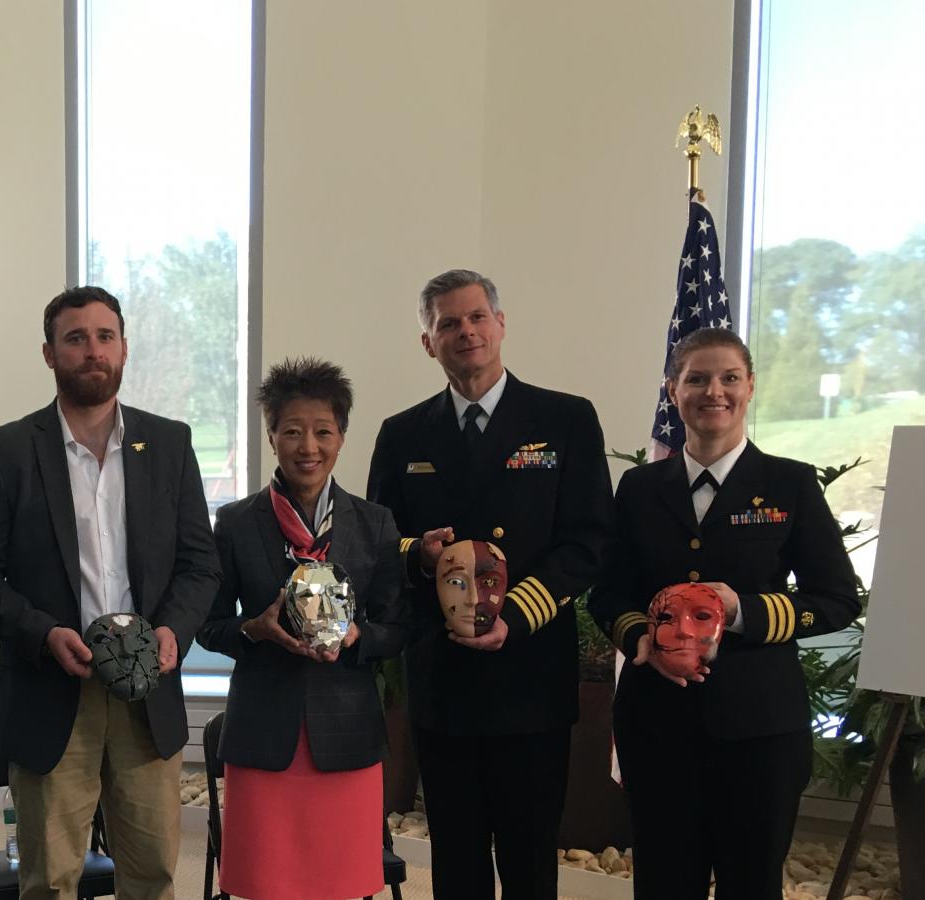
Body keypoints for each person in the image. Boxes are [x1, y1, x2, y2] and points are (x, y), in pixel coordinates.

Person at [0, 286, 219, 900]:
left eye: (104, 337)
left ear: (124, 348)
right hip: (51, 691)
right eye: (75, 339)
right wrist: (43, 634)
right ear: (49, 354)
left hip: (147, 696)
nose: (92, 351)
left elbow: (200, 565)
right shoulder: (7, 450)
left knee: (152, 873)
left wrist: (172, 631)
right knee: (48, 879)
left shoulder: (171, 443)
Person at [364, 269, 614, 899]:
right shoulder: (402, 434)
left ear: (501, 325)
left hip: (530, 676)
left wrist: (517, 614)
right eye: (447, 323)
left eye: (476, 317)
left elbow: (588, 542)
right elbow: (376, 544)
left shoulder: (565, 419)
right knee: (457, 859)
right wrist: (419, 557)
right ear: (428, 342)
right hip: (443, 681)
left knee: (530, 859)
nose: (465, 332)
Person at [588, 327, 859, 898]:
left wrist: (741, 612)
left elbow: (836, 598)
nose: (715, 391)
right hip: (656, 722)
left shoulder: (790, 483)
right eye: (697, 378)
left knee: (751, 884)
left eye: (729, 378)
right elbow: (608, 591)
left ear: (750, 387)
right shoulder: (638, 488)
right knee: (663, 882)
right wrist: (642, 637)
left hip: (759, 728)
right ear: (673, 390)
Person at [196, 357, 410, 900]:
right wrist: (255, 630)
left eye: (322, 431)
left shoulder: (374, 523)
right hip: (264, 735)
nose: (307, 446)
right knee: (267, 886)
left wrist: (360, 636)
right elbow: (209, 624)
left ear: (341, 436)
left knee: (342, 887)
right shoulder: (237, 523)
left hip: (346, 735)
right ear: (271, 437)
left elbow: (399, 625)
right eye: (292, 431)